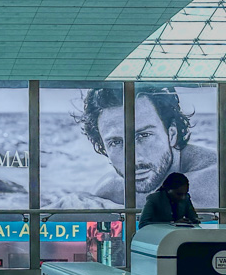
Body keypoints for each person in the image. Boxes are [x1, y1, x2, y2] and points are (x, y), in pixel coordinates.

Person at [76, 86, 216, 208]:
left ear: (172, 134)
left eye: (143, 135)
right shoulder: (109, 191)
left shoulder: (216, 178)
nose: (133, 158)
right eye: (115, 142)